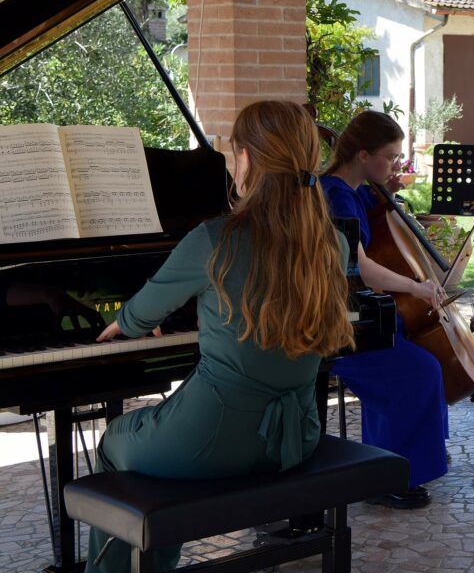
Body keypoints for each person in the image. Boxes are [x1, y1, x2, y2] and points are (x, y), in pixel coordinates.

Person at [84, 101, 355, 572]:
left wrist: (122, 324)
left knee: (114, 443)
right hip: (296, 438)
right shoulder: (330, 241)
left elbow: (138, 315)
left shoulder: (215, 238)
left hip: (213, 436)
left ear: (247, 157)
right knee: (169, 445)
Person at [320, 110, 451, 509]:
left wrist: (388, 194)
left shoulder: (359, 189)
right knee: (419, 369)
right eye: (390, 157)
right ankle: (389, 476)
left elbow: (378, 230)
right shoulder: (337, 195)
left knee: (423, 358)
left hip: (364, 311)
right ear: (363, 154)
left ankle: (390, 464)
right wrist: (416, 285)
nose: (395, 164)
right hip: (340, 319)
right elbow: (359, 264)